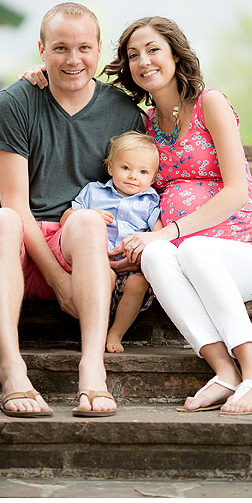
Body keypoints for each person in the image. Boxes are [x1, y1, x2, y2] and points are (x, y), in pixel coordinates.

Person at [22, 15, 252, 415]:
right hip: (180, 255)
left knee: (187, 250)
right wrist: (40, 77)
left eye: (154, 50)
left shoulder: (211, 103)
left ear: (176, 53)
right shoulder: (146, 125)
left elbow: (237, 192)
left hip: (238, 252)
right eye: (133, 55)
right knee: (156, 256)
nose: (144, 61)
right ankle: (224, 373)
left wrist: (167, 232)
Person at [0, 2, 145, 418]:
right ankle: (12, 370)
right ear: (41, 49)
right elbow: (15, 205)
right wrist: (60, 282)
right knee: (5, 221)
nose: (73, 59)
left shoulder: (123, 113)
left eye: (83, 48)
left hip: (76, 244)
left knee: (88, 220)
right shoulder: (15, 102)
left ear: (99, 51)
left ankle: (92, 369)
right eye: (60, 48)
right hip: (8, 244)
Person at [59, 131, 161, 353]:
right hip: (96, 265)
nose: (133, 176)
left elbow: (159, 235)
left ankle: (116, 332)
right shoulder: (93, 192)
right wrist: (90, 214)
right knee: (105, 276)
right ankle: (98, 327)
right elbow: (67, 217)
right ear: (110, 168)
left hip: (131, 267)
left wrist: (144, 249)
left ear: (152, 179)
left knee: (139, 283)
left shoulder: (150, 201)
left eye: (143, 172)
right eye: (126, 168)